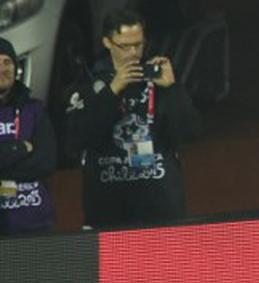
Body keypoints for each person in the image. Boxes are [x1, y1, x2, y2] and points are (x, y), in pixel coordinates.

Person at [65, 9, 203, 229]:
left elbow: (189, 133)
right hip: (109, 207)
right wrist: (112, 92)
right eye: (125, 46)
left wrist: (173, 90)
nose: (133, 53)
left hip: (159, 204)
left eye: (138, 44)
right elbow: (77, 140)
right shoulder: (89, 84)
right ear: (107, 42)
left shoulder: (159, 80)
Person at [0, 36, 56, 235]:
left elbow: (47, 161)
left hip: (35, 223)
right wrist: (21, 148)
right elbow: (33, 159)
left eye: (7, 62)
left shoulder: (35, 109)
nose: (3, 68)